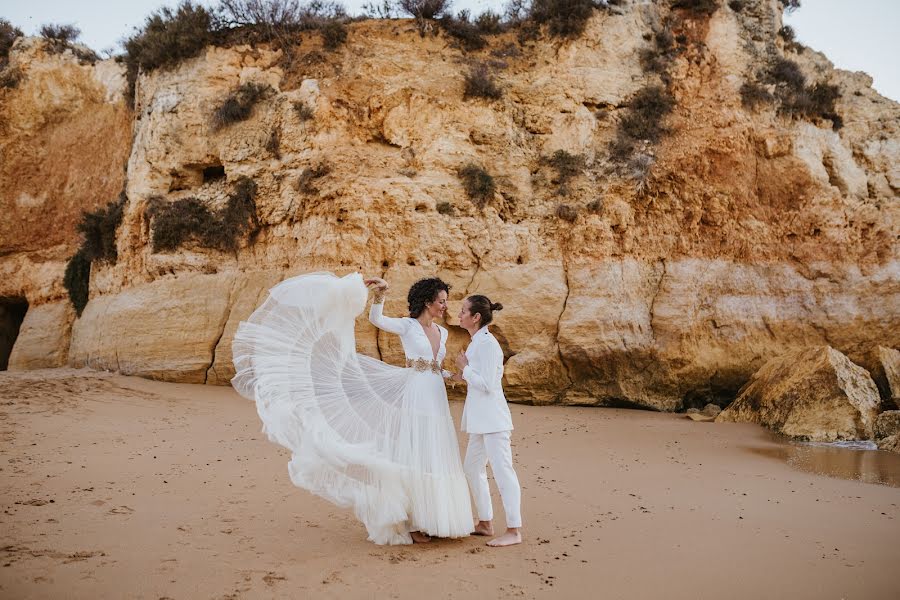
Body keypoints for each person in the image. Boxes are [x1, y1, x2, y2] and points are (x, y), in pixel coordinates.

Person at [231, 271, 472, 545]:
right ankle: (414, 522)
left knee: (435, 451)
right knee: (415, 452)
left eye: (446, 301)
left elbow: (436, 369)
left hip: (436, 396)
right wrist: (380, 294)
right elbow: (376, 320)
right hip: (415, 394)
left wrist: (457, 377)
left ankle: (436, 518)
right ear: (428, 302)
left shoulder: (441, 332)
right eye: (441, 301)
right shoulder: (408, 326)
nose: (445, 306)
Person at [455, 295, 523, 547]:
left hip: (494, 422)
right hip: (480, 422)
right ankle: (485, 522)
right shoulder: (476, 343)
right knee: (472, 469)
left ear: (476, 317)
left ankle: (514, 530)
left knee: (504, 472)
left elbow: (489, 385)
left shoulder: (487, 344)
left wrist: (465, 368)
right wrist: (458, 374)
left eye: (463, 311)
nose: (459, 315)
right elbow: (476, 379)